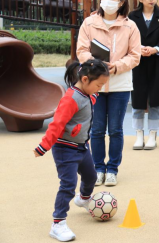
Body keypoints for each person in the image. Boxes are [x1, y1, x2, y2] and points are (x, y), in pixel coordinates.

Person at [34, 60, 109, 242]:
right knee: (68, 185)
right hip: (65, 149)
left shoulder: (88, 94)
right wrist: (44, 146)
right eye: (98, 85)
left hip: (82, 147)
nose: (100, 89)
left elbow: (89, 103)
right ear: (84, 79)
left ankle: (83, 198)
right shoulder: (71, 99)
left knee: (91, 176)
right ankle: (58, 223)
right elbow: (57, 124)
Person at [77, 0, 141, 186]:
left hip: (120, 85)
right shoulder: (88, 23)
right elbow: (81, 50)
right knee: (96, 130)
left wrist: (117, 66)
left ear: (121, 2)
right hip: (94, 84)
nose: (108, 0)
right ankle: (98, 168)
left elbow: (135, 55)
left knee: (115, 129)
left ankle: (112, 169)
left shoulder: (130, 26)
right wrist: (95, 64)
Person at [128, 0, 159, 150]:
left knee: (155, 101)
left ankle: (153, 134)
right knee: (137, 101)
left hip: (157, 64)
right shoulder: (132, 17)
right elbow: (126, 37)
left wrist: (155, 49)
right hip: (137, 64)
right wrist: (138, 48)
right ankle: (139, 134)